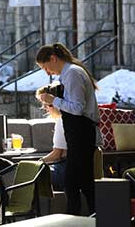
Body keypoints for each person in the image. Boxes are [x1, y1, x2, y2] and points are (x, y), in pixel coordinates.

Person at [35, 42, 99, 215]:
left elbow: (78, 108)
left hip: (81, 133)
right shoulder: (70, 73)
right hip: (79, 133)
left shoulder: (72, 73)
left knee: (72, 184)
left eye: (45, 67)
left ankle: (75, 219)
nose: (47, 72)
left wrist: (52, 100)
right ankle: (95, 217)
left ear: (53, 58)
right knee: (85, 183)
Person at [36, 86, 67, 191]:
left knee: (31, 174)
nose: (45, 108)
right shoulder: (71, 118)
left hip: (64, 169)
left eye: (46, 105)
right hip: (75, 167)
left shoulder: (61, 121)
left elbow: (57, 154)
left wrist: (38, 162)